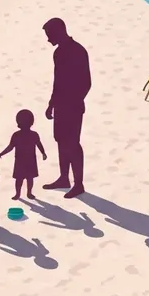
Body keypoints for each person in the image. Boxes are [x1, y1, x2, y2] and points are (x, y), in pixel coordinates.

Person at [41, 17, 91, 199]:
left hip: (73, 106)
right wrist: (51, 104)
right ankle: (64, 178)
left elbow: (86, 82)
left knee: (73, 143)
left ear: (58, 32)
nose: (48, 39)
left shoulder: (78, 51)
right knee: (60, 140)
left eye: (49, 35)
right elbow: (58, 81)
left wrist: (74, 101)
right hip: (61, 105)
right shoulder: (58, 53)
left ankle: (79, 183)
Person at [0, 109, 47, 200]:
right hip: (25, 160)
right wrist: (1, 154)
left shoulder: (18, 135)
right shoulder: (31, 135)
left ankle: (24, 193)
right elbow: (11, 147)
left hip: (24, 160)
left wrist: (1, 154)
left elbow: (10, 147)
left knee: (24, 179)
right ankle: (24, 193)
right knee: (26, 178)